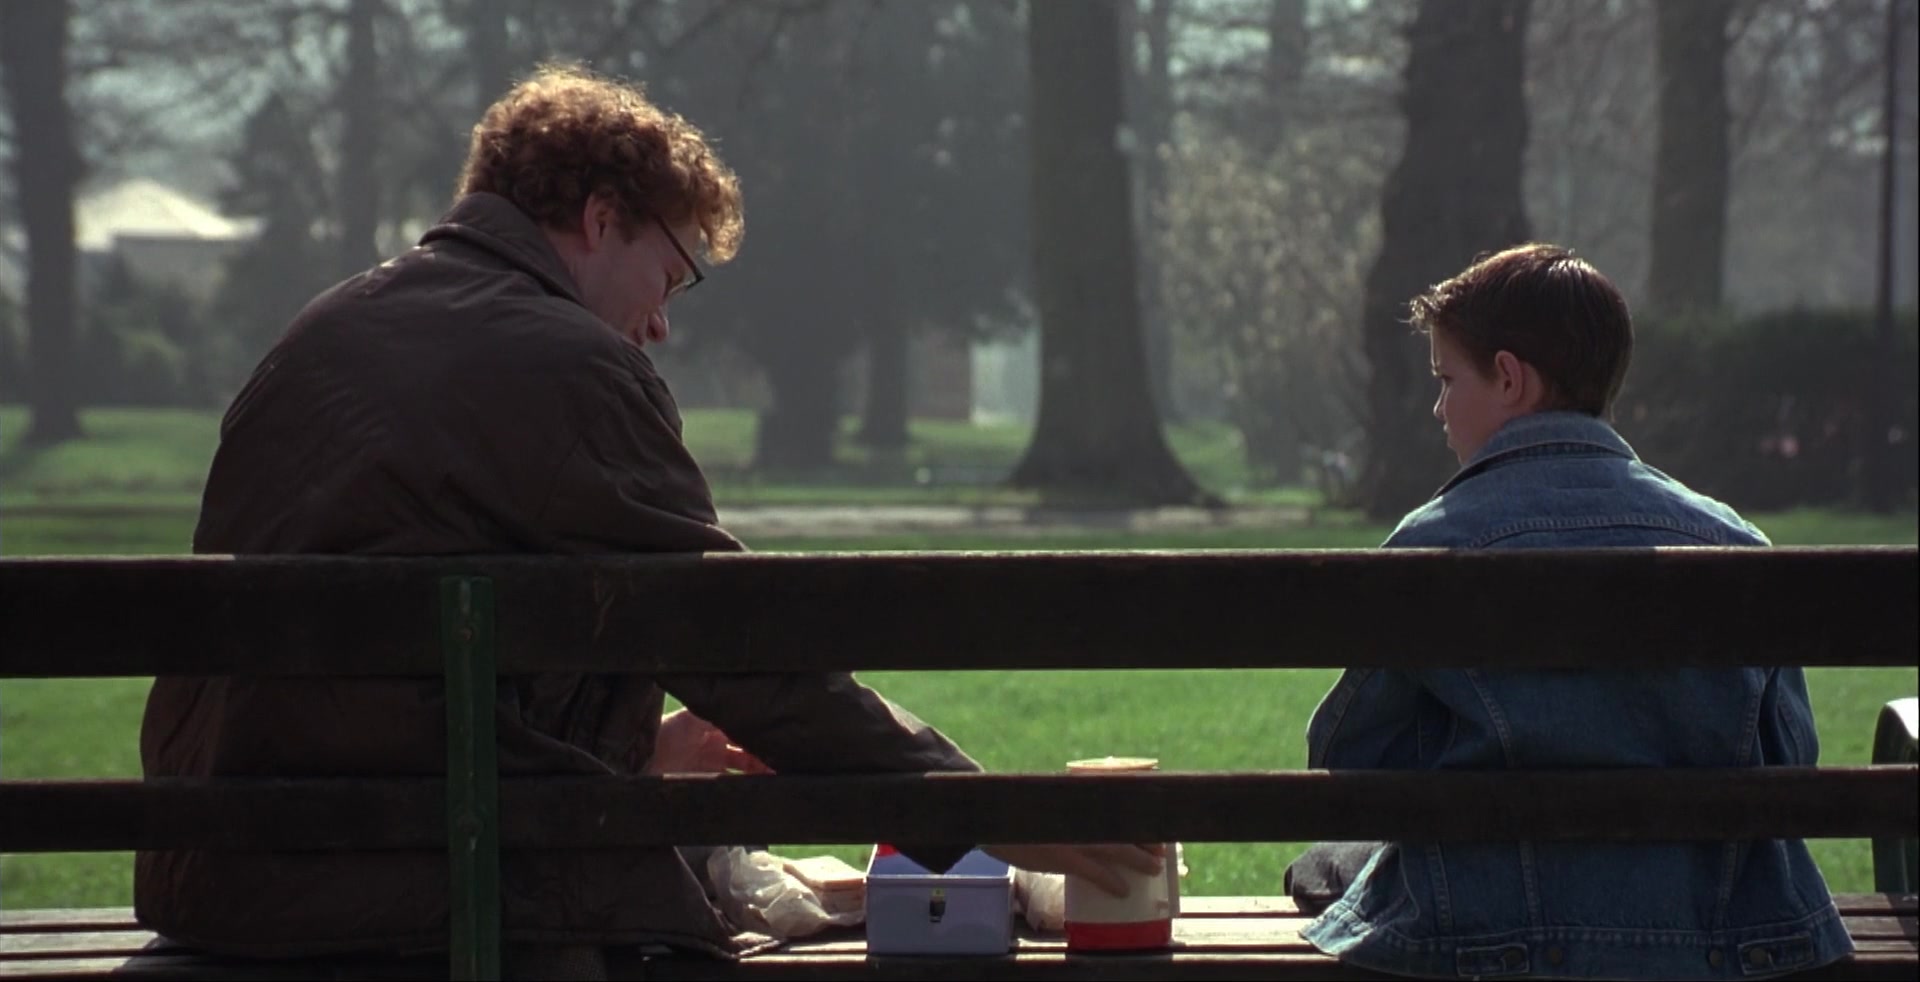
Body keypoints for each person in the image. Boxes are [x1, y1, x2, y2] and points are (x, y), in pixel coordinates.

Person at [134, 64, 1158, 976]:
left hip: (221, 876)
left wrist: (620, 754)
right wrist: (995, 814)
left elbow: (356, 682)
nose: (662, 323)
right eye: (669, 275)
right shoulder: (571, 367)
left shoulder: (318, 335)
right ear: (600, 217)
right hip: (430, 890)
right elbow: (746, 652)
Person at [1287, 244, 1852, 980]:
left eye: (1448, 380)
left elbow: (1350, 760)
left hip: (1483, 940)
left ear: (1510, 378)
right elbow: (1790, 758)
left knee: (1326, 862)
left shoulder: (1433, 547)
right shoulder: (1732, 543)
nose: (1438, 408)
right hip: (1716, 942)